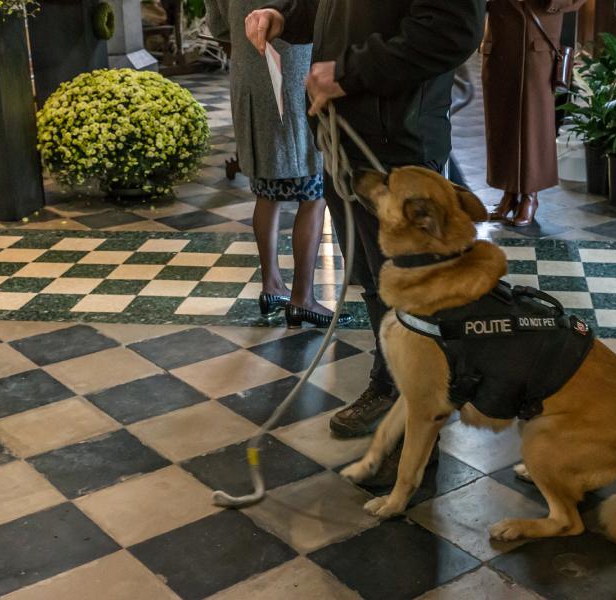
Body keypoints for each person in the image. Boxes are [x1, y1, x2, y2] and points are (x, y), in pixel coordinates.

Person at [245, 1, 485, 440]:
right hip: (348, 135)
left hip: (401, 143)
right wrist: (284, 18)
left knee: (412, 287)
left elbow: (451, 32)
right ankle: (392, 383)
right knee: (375, 279)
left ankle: (421, 412)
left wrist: (346, 73)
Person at [205, 0, 352, 328]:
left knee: (266, 192)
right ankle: (303, 297)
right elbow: (319, 17)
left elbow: (219, 26)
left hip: (249, 75)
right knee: (314, 192)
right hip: (298, 74)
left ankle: (272, 285)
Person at [483, 0, 583, 227]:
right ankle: (509, 193)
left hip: (537, 45)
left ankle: (530, 195)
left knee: (533, 122)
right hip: (500, 42)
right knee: (500, 122)